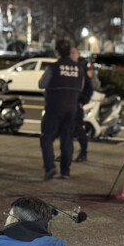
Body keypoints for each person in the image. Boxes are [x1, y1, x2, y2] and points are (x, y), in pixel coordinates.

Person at [39, 40, 85, 180]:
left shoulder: (53, 67)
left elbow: (41, 84)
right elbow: (81, 88)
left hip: (54, 107)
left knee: (46, 137)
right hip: (71, 109)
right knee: (67, 140)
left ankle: (50, 167)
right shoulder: (79, 69)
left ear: (57, 53)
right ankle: (65, 171)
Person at [70, 47, 93, 162]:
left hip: (76, 104)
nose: (71, 55)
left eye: (74, 53)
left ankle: (83, 152)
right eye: (70, 53)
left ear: (78, 54)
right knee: (66, 130)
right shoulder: (67, 67)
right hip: (66, 104)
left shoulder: (82, 69)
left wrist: (82, 101)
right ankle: (66, 153)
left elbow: (89, 88)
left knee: (79, 129)